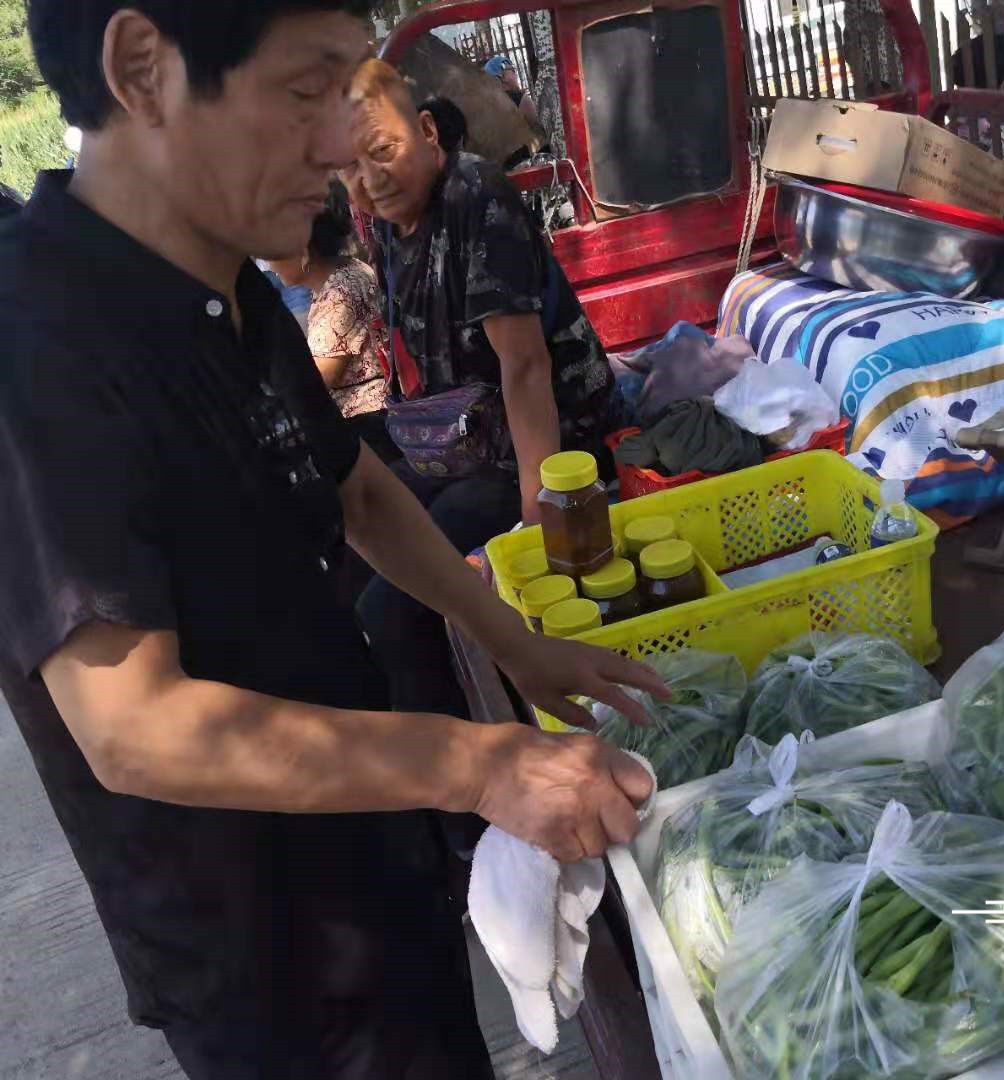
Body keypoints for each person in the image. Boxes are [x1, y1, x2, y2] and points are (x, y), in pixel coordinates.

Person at [2, 5, 665, 1080]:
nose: (341, 145)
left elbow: (357, 491)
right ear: (142, 69)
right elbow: (134, 728)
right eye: (309, 91)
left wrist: (517, 643)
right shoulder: (38, 344)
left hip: (366, 856)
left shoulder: (218, 285)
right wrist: (481, 762)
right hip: (263, 951)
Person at [340, 59, 616, 719]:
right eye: (348, 168)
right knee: (344, 514)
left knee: (395, 601)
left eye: (383, 152)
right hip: (460, 434)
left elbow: (525, 369)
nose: (371, 179)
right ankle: (375, 720)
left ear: (427, 130)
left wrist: (536, 512)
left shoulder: (478, 197)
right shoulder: (385, 224)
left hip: (543, 440)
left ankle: (468, 771)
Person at [266, 184, 397, 463]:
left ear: (302, 250)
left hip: (368, 428)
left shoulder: (337, 296)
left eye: (274, 253)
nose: (271, 265)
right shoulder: (351, 270)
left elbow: (315, 381)